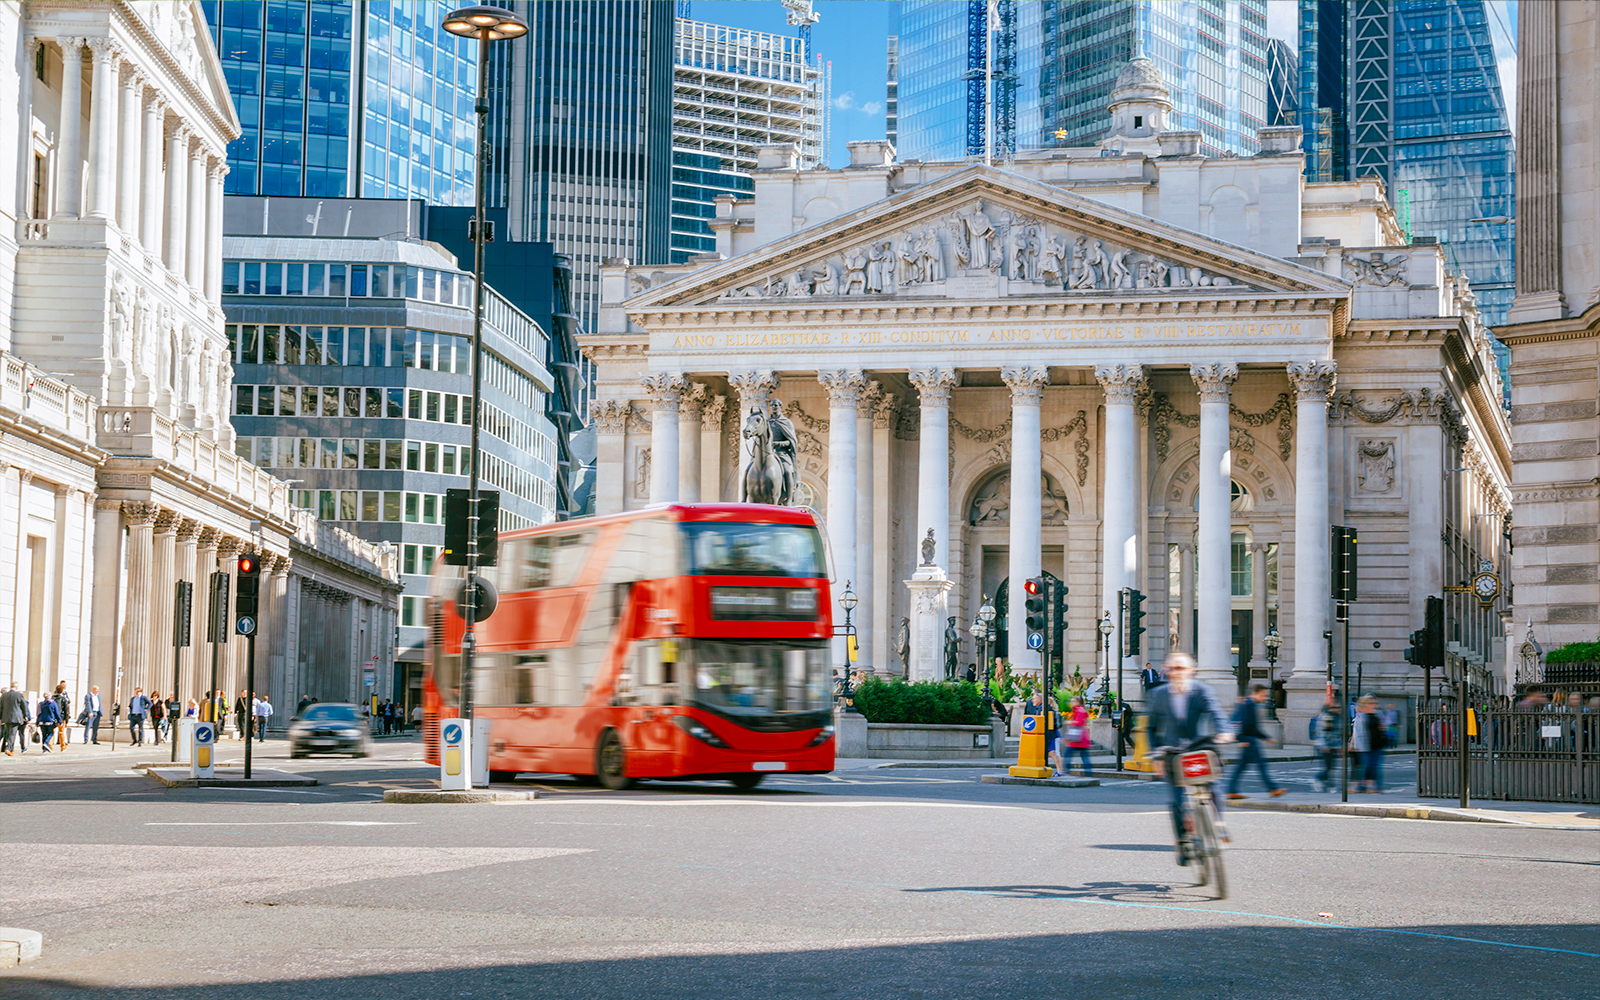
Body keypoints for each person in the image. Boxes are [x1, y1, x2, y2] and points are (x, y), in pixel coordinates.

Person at [1142, 652, 1234, 865]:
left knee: (1213, 784)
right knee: (1176, 801)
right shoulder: (1159, 694)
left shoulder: (1201, 690)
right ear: (1166, 670)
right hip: (1172, 751)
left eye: (1181, 668)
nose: (1176, 673)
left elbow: (1216, 713)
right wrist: (1156, 755)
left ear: (1191, 671)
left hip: (1199, 746)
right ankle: (1183, 840)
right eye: (1173, 668)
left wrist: (1225, 732)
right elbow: (1151, 728)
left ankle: (1218, 824)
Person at [1226, 683, 1286, 800]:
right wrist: (1241, 739)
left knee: (1241, 767)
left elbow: (1253, 726)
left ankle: (1231, 790)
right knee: (1261, 765)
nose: (1265, 698)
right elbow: (1241, 722)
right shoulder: (1247, 704)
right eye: (1264, 695)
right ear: (1257, 693)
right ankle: (1273, 789)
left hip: (1249, 739)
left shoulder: (1250, 704)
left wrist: (1266, 738)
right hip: (1248, 740)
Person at [1352, 695, 1388, 793]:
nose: (1374, 705)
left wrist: (1383, 728)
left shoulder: (1378, 714)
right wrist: (1353, 745)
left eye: (1375, 703)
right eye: (1371, 703)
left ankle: (1375, 787)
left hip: (1377, 744)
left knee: (1375, 766)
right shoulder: (1360, 715)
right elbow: (1356, 731)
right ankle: (1363, 785)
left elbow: (1384, 726)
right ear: (1365, 704)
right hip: (1365, 745)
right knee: (1367, 765)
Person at [1309, 699, 1341, 793]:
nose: (1337, 709)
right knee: (1329, 767)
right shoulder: (1326, 717)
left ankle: (1329, 785)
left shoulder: (1334, 717)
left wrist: (1338, 746)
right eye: (1334, 707)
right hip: (1325, 747)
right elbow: (1323, 732)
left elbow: (1336, 734)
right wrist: (1325, 746)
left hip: (1331, 746)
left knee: (1331, 767)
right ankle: (1318, 779)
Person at [1062, 696, 1094, 777]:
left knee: (1067, 755)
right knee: (1084, 757)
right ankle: (1088, 774)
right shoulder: (1079, 710)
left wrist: (1068, 722)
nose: (1071, 703)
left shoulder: (1079, 710)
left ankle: (1067, 772)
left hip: (1078, 738)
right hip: (1081, 737)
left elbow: (1078, 723)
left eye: (1073, 701)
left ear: (1077, 702)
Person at [2, 681, 33, 755]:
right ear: (16, 687)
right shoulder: (19, 695)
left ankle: (11, 749)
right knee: (12, 734)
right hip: (16, 718)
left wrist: (1, 718)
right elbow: (23, 706)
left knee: (9, 733)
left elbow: (1, 707)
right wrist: (25, 716)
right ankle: (8, 748)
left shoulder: (4, 695)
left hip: (6, 717)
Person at [53, 682, 72, 751]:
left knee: (53, 731)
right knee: (61, 732)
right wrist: (67, 720)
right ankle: (63, 746)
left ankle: (50, 745)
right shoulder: (63, 699)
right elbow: (66, 710)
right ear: (62, 690)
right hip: (61, 717)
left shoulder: (53, 698)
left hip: (54, 716)